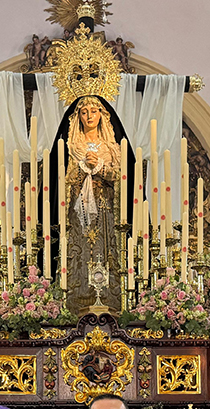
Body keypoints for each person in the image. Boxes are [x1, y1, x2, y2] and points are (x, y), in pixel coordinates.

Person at [63, 95, 124, 314]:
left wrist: (99, 167)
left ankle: (109, 298)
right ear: (78, 116)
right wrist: (81, 167)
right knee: (80, 250)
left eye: (94, 111)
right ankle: (78, 297)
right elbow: (64, 178)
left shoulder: (110, 146)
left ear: (102, 114)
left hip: (105, 207)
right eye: (84, 112)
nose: (89, 116)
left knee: (105, 248)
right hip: (79, 210)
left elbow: (120, 176)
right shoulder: (72, 144)